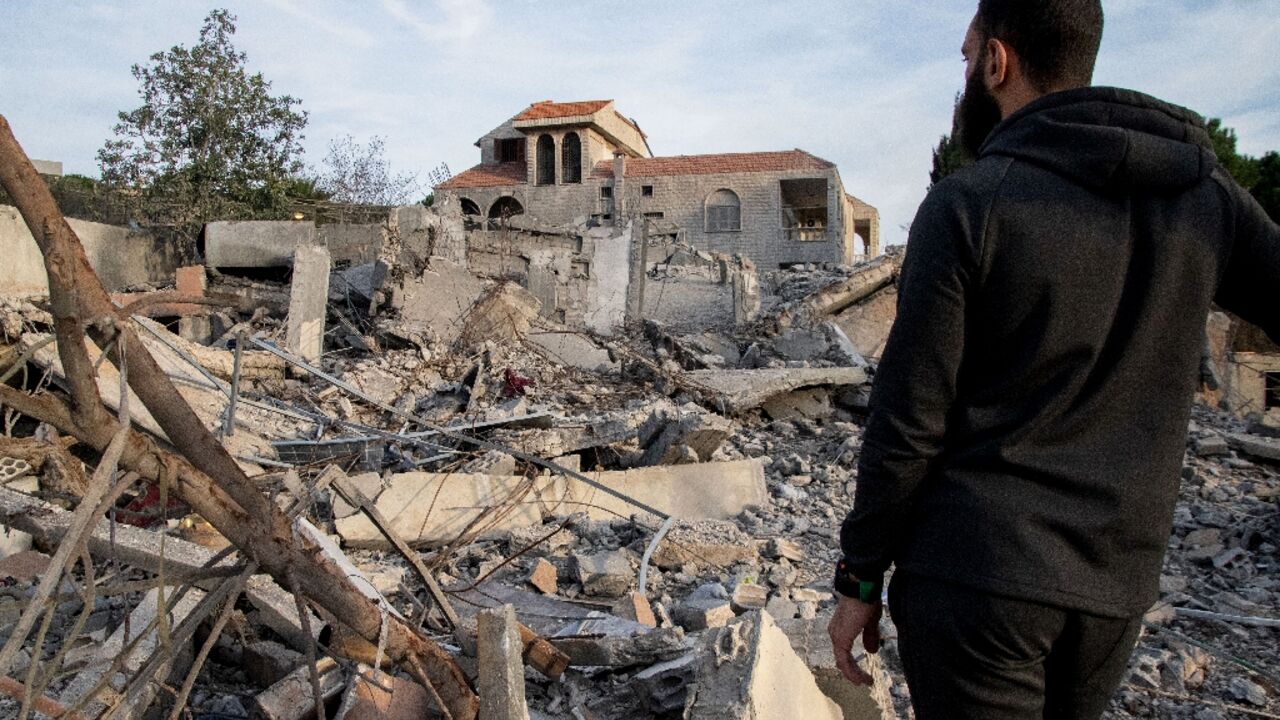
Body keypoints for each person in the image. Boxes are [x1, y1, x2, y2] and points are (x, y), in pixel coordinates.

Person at [826, 1, 1280, 718]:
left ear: (997, 62)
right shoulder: (1203, 195)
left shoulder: (969, 203)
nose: (966, 75)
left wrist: (859, 579)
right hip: (1114, 591)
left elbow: (909, 420)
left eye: (968, 57)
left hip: (975, 579)